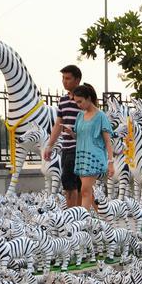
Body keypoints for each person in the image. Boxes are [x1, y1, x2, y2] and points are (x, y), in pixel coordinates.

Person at [71, 83, 114, 212]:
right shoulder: (80, 116)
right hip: (81, 157)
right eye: (76, 102)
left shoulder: (101, 116)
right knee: (88, 191)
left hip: (94, 157)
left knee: (84, 190)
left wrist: (110, 162)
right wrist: (71, 133)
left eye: (80, 101)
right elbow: (80, 137)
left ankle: (83, 220)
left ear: (88, 98)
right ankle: (103, 219)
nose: (78, 105)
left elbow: (107, 141)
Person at [44, 65, 82, 208]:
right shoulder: (63, 100)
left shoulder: (83, 100)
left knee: (74, 183)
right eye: (63, 78)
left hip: (80, 147)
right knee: (71, 184)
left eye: (68, 78)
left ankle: (75, 216)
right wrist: (49, 146)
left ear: (77, 80)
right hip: (66, 148)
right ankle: (76, 216)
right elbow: (57, 125)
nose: (64, 81)